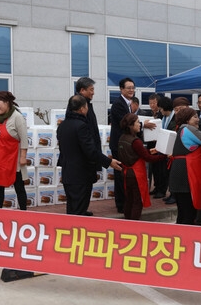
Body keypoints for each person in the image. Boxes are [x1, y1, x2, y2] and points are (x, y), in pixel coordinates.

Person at [58, 95, 121, 215]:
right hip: (80, 173)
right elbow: (90, 151)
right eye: (87, 106)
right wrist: (109, 162)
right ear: (82, 109)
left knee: (72, 205)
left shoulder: (63, 125)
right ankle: (77, 229)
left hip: (68, 173)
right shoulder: (81, 126)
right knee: (78, 208)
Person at [109, 77, 155, 213]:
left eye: (133, 87)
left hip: (125, 143)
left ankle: (127, 202)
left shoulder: (128, 103)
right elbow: (125, 122)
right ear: (121, 89)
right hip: (120, 144)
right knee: (120, 174)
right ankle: (121, 204)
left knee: (126, 174)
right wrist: (143, 124)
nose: (131, 90)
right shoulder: (118, 104)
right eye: (128, 88)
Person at [118, 113, 167, 220]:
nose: (139, 125)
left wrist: (150, 151)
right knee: (137, 201)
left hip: (126, 173)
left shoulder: (122, 138)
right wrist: (163, 156)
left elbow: (137, 153)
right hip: (136, 175)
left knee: (129, 200)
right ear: (131, 125)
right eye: (137, 122)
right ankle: (134, 224)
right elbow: (148, 158)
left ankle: (127, 222)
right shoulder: (136, 141)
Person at [168, 107, 201, 225]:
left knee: (182, 212)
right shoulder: (189, 129)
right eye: (195, 117)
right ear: (187, 120)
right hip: (186, 174)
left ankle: (178, 239)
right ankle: (187, 240)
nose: (198, 120)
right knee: (189, 213)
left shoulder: (180, 130)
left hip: (177, 173)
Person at [0, 91, 28, 210]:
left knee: (19, 187)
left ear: (7, 102)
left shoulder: (17, 117)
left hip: (14, 160)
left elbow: (24, 139)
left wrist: (23, 157)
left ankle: (24, 212)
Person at [68, 77, 103, 216]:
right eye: (91, 89)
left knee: (87, 186)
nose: (93, 93)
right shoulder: (75, 105)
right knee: (80, 190)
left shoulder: (88, 104)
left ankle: (82, 210)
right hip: (83, 156)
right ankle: (78, 214)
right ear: (82, 90)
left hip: (90, 153)